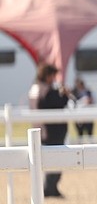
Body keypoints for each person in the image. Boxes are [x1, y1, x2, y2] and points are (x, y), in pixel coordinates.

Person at [29, 63, 71, 197]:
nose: (54, 78)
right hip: (52, 131)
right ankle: (49, 188)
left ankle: (51, 188)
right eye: (53, 75)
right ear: (48, 75)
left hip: (39, 128)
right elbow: (59, 103)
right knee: (56, 159)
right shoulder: (48, 91)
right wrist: (65, 95)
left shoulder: (34, 89)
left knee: (48, 158)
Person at [71, 77, 95, 142]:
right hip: (79, 117)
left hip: (88, 116)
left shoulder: (88, 91)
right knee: (80, 135)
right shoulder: (74, 92)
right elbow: (73, 103)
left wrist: (89, 101)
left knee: (90, 134)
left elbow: (92, 101)